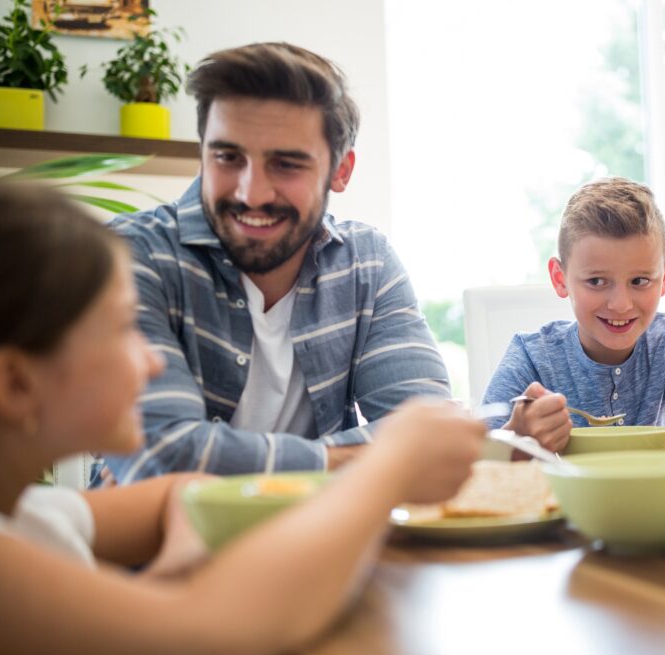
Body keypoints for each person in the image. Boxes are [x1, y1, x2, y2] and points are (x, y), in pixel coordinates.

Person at [0, 184, 484, 655]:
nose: (151, 360)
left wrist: (179, 564)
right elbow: (211, 644)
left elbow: (182, 488)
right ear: (16, 383)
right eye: (124, 329)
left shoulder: (30, 517)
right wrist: (388, 465)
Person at [103, 42, 450, 484]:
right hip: (152, 550)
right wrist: (355, 460)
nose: (252, 193)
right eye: (228, 157)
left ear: (341, 170)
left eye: (286, 165)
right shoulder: (130, 255)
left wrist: (215, 459)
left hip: (324, 540)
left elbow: (426, 430)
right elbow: (160, 456)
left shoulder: (367, 264)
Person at [482, 177, 665, 453]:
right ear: (560, 278)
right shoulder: (532, 355)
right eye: (597, 281)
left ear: (664, 277)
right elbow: (477, 458)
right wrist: (517, 437)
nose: (621, 304)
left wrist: (585, 448)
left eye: (639, 281)